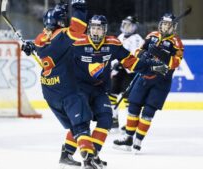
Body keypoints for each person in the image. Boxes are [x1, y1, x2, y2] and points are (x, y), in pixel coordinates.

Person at [58, 14, 168, 167]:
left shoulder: (113, 43)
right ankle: (68, 154)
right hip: (79, 89)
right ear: (89, 29)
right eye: (94, 28)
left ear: (105, 30)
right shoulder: (77, 43)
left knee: (106, 121)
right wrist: (36, 49)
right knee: (82, 121)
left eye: (99, 28)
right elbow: (54, 54)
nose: (96, 31)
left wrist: (151, 66)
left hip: (100, 89)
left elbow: (130, 62)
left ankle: (93, 156)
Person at [21, 1, 103, 168]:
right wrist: (79, 7)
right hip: (67, 89)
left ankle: (66, 156)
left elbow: (36, 45)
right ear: (60, 22)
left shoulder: (40, 38)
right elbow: (79, 27)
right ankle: (88, 159)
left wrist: (29, 46)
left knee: (75, 126)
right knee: (81, 125)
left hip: (50, 91)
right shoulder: (63, 36)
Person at [113, 13, 184, 153]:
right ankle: (128, 138)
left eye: (168, 25)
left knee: (148, 112)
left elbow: (174, 63)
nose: (165, 27)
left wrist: (160, 53)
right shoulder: (152, 35)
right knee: (133, 106)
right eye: (164, 24)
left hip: (161, 82)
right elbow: (139, 50)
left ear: (173, 27)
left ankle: (138, 141)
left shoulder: (177, 42)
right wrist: (142, 55)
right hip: (144, 77)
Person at [108, 16, 144, 131]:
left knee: (127, 97)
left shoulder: (137, 39)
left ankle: (130, 123)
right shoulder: (120, 37)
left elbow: (134, 55)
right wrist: (114, 64)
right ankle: (113, 121)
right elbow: (114, 52)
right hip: (118, 71)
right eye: (125, 24)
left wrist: (121, 64)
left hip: (130, 72)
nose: (126, 27)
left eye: (129, 25)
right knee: (111, 94)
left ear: (134, 27)